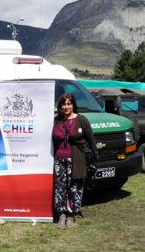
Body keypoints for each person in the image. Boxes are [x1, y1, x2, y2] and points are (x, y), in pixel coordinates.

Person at [52, 93, 98, 229]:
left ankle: (71, 215)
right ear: (60, 106)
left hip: (76, 158)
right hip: (59, 159)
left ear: (73, 105)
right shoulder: (56, 120)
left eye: (69, 104)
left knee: (75, 187)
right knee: (60, 188)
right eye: (63, 104)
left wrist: (94, 158)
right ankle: (61, 214)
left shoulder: (81, 120)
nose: (66, 107)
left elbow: (91, 140)